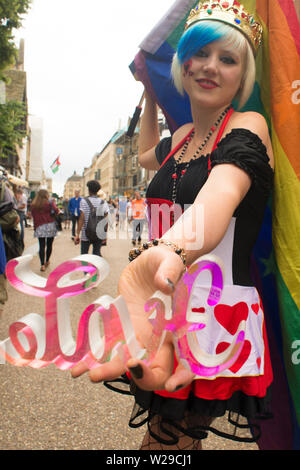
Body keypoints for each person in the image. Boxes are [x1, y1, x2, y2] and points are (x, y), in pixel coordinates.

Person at [71, 0, 274, 450]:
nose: (210, 67)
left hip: (211, 313)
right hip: (160, 305)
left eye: (227, 59)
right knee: (172, 438)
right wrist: (148, 97)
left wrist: (172, 249)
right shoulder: (181, 138)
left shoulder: (248, 126)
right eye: (199, 53)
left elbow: (218, 195)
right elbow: (146, 154)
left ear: (244, 76)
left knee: (164, 442)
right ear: (182, 64)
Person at [74, 180, 109, 256]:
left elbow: (81, 219)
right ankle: (94, 267)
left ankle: (85, 267)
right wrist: (104, 235)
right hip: (98, 233)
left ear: (89, 190)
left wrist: (77, 234)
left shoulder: (84, 201)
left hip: (86, 234)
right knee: (96, 256)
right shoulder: (103, 202)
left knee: (84, 256)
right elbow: (105, 221)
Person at [30, 189, 59, 271]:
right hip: (50, 226)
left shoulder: (34, 204)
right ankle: (47, 261)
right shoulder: (49, 203)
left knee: (41, 245)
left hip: (39, 226)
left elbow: (33, 215)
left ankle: (42, 264)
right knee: (49, 245)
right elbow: (56, 211)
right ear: (46, 195)